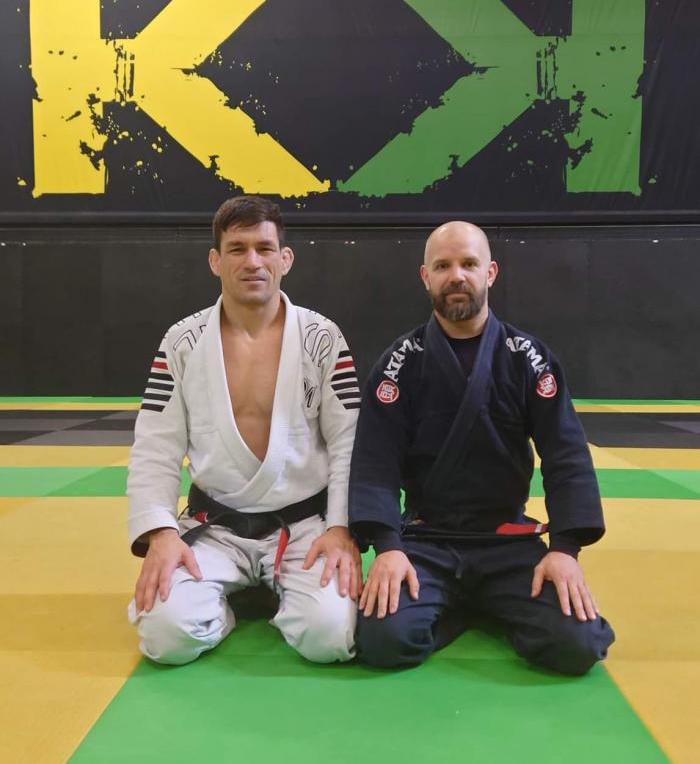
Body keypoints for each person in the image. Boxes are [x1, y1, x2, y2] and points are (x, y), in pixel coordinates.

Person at [349, 220, 614, 676]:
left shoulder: (527, 357)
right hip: (427, 541)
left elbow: (566, 454)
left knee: (578, 644)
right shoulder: (399, 363)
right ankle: (480, 609)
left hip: (506, 542)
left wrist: (564, 550)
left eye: (469, 264)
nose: (456, 275)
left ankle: (474, 605)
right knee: (383, 641)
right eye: (443, 266)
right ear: (425, 277)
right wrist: (388, 547)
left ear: (490, 273)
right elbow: (375, 460)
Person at [127, 196, 361, 666]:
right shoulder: (182, 342)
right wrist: (161, 533)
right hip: (215, 528)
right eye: (237, 249)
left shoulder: (321, 337)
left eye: (264, 248)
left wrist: (340, 528)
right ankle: (233, 604)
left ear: (285, 259)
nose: (252, 261)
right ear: (215, 261)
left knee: (329, 636)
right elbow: (155, 445)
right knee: (167, 637)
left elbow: (348, 441)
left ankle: (274, 594)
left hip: (304, 528)